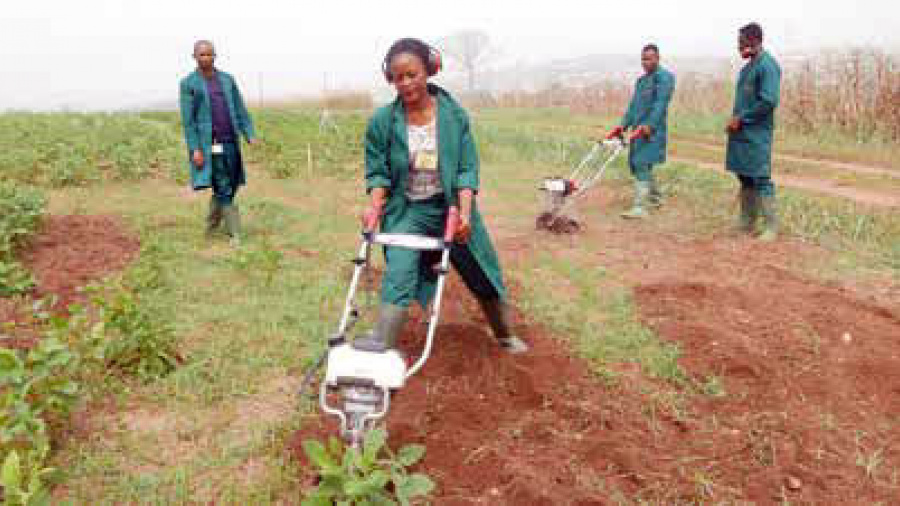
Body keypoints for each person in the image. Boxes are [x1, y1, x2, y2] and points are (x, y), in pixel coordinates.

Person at [353, 38, 528, 354]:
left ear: (428, 72)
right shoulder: (382, 122)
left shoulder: (453, 116)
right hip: (407, 210)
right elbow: (378, 172)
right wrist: (374, 207)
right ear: (389, 78)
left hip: (451, 205)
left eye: (412, 74)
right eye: (398, 77)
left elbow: (465, 169)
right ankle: (382, 350)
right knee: (399, 274)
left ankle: (504, 334)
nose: (405, 83)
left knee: (481, 269)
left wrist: (463, 213)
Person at [179, 40, 258, 245]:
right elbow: (188, 122)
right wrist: (195, 149)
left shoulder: (227, 80)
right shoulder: (189, 84)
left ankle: (211, 224)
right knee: (222, 183)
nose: (206, 58)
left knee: (232, 182)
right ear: (194, 57)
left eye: (209, 54)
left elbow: (240, 109)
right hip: (209, 145)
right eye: (201, 55)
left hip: (231, 141)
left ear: (215, 56)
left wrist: (248, 132)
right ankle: (235, 233)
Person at [725, 23, 782, 241]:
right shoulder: (747, 68)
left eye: (742, 42)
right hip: (741, 134)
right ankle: (747, 222)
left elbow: (769, 101)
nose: (739, 46)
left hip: (757, 133)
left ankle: (771, 227)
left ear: (755, 41)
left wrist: (742, 118)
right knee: (745, 176)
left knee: (760, 177)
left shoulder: (768, 66)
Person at [605, 44, 676, 219]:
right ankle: (656, 198)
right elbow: (633, 107)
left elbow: (660, 104)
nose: (645, 62)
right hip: (637, 131)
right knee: (637, 165)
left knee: (642, 163)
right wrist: (622, 126)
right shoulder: (641, 81)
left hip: (652, 131)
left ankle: (640, 208)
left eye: (649, 58)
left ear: (657, 58)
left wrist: (649, 125)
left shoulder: (665, 78)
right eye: (643, 59)